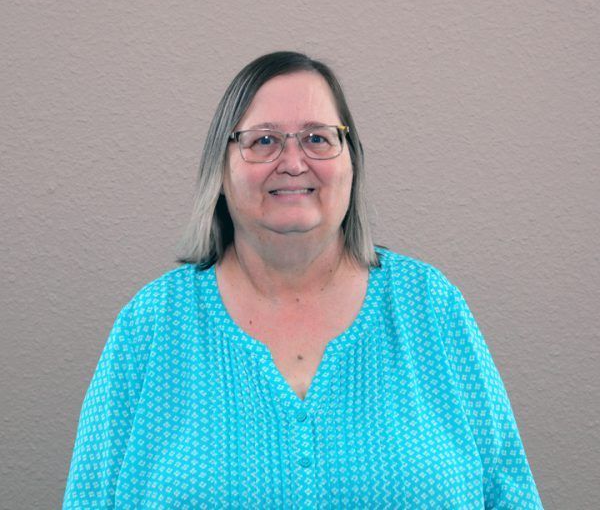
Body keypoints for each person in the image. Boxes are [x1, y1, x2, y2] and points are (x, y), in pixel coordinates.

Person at [63, 51, 543, 508]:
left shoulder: (431, 308)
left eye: (317, 138)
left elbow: (511, 497)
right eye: (263, 141)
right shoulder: (152, 325)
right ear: (222, 168)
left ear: (350, 160)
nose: (293, 162)